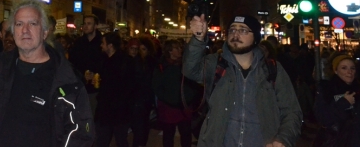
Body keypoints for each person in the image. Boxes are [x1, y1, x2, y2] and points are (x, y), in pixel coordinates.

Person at [0, 0, 95, 147]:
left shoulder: (66, 80)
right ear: (13, 32)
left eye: (32, 23)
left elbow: (79, 135)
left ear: (45, 32)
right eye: (19, 24)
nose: (25, 30)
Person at [184, 14, 302, 147]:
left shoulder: (272, 69)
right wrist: (198, 39)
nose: (236, 34)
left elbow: (292, 111)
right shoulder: (216, 64)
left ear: (255, 37)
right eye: (232, 30)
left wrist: (283, 139)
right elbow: (190, 70)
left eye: (243, 30)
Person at [153, 39, 200, 147]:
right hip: (168, 107)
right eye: (177, 48)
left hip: (184, 106)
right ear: (170, 51)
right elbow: (157, 87)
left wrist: (189, 97)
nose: (180, 50)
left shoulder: (185, 65)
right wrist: (169, 99)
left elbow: (193, 83)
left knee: (186, 135)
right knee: (168, 135)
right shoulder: (161, 66)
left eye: (180, 47)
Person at [94, 32, 135, 147]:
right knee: (103, 139)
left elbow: (128, 85)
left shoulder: (124, 62)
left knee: (120, 139)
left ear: (110, 45)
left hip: (118, 109)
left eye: (103, 43)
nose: (101, 46)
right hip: (107, 108)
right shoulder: (104, 59)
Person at [312, 55, 360, 146]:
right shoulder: (327, 90)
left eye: (352, 68)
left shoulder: (357, 89)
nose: (349, 72)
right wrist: (344, 103)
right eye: (344, 68)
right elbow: (323, 118)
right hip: (337, 141)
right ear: (336, 70)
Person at [68, 14, 103, 114]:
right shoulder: (79, 43)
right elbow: (73, 63)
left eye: (89, 24)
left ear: (95, 26)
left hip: (96, 88)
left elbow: (106, 63)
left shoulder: (102, 42)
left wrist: (96, 74)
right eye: (84, 23)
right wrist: (81, 74)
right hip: (80, 86)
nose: (86, 26)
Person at [130, 37, 156, 147]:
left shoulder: (149, 63)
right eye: (139, 49)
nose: (140, 52)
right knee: (140, 126)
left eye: (143, 49)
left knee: (141, 126)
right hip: (139, 98)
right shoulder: (135, 61)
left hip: (143, 99)